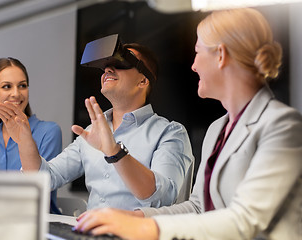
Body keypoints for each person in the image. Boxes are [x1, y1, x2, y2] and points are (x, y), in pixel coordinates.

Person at [73, 8, 302, 240]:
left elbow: (246, 219)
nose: (193, 66)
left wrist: (145, 229)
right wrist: (135, 216)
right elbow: (197, 208)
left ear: (220, 55)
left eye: (197, 53)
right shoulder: (217, 130)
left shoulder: (283, 126)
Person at [0, 43, 194, 211]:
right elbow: (46, 178)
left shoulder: (170, 133)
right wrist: (24, 140)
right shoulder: (91, 133)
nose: (108, 69)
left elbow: (162, 199)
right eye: (105, 66)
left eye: (121, 62)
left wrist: (115, 152)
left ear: (143, 80)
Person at [0, 57, 63, 214]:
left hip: (37, 225)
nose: (16, 94)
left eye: (22, 86)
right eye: (7, 86)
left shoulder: (48, 131)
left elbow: (39, 189)